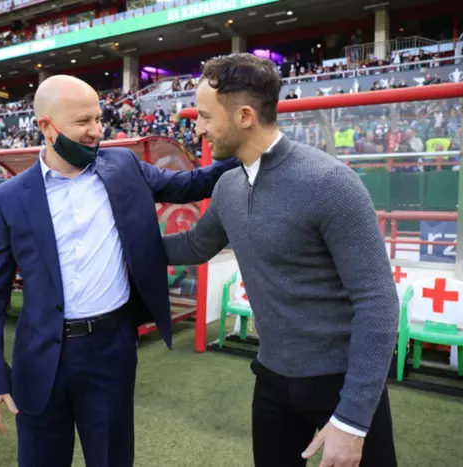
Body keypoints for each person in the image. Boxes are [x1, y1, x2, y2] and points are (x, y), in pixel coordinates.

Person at [0, 74, 238, 467]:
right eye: (83, 122)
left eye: (98, 119)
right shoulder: (7, 199)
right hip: (40, 357)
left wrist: (249, 148)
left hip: (111, 350)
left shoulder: (123, 165)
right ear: (47, 126)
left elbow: (189, 184)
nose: (96, 130)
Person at [162, 53, 399, 467]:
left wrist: (354, 418)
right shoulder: (228, 186)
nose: (198, 128)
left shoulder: (331, 183)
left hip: (341, 385)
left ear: (245, 116)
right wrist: (118, 244)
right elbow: (194, 246)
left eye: (205, 116)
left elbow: (377, 301)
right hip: (271, 381)